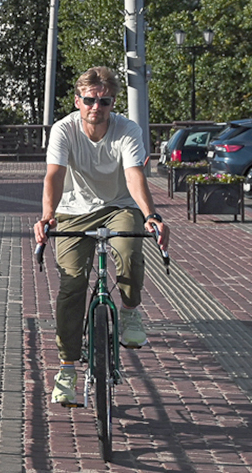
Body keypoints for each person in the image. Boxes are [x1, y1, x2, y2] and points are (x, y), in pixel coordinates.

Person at [32, 66, 169, 406]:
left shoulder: (127, 130)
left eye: (104, 101)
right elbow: (53, 176)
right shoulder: (63, 130)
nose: (97, 107)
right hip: (72, 210)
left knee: (128, 251)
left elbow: (135, 175)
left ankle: (130, 310)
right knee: (73, 282)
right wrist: (47, 215)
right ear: (78, 101)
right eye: (90, 100)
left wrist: (151, 216)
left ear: (112, 103)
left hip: (119, 205)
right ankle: (67, 370)